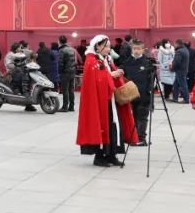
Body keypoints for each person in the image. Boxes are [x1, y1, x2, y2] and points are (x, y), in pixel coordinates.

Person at [76, 34, 139, 167]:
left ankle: (112, 155)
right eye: (106, 47)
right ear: (97, 46)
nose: (109, 49)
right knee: (102, 126)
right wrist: (111, 75)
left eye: (109, 47)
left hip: (110, 99)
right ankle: (100, 157)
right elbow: (95, 80)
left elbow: (106, 75)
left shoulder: (107, 59)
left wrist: (117, 74)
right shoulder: (91, 60)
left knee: (113, 126)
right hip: (99, 101)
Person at [121, 40, 156, 146]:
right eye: (134, 48)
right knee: (131, 117)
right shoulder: (126, 62)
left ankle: (141, 138)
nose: (136, 51)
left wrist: (150, 92)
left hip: (144, 94)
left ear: (143, 50)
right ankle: (132, 137)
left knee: (142, 117)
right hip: (129, 94)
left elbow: (152, 80)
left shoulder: (148, 63)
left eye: (138, 49)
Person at [58, 36, 78, 113]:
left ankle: (65, 107)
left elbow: (60, 63)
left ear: (59, 41)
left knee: (65, 90)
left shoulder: (62, 50)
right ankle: (71, 106)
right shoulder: (72, 49)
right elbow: (74, 61)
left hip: (65, 72)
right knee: (71, 90)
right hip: (72, 71)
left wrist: (60, 72)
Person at [170, 39, 190, 103]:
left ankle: (186, 99)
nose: (174, 45)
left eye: (174, 44)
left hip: (180, 70)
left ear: (177, 44)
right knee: (176, 84)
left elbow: (177, 62)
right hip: (183, 69)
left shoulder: (179, 51)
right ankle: (175, 98)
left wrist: (172, 67)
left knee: (183, 85)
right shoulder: (185, 49)